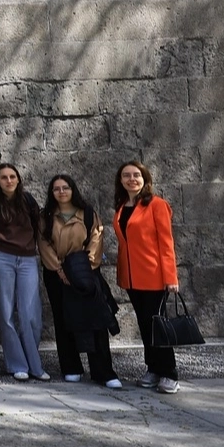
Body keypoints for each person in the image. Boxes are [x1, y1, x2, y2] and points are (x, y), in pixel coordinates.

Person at [39, 175, 120, 389]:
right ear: (51, 193)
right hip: (57, 274)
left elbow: (96, 238)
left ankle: (103, 371)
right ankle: (71, 367)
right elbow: (44, 244)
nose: (61, 192)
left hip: (85, 271)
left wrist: (84, 267)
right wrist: (60, 270)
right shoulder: (46, 216)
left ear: (73, 189)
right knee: (63, 319)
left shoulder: (88, 213)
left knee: (96, 319)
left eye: (65, 187)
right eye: (56, 188)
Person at [113, 160, 181, 394]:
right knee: (145, 325)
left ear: (145, 179)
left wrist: (171, 277)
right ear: (121, 180)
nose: (131, 179)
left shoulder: (157, 205)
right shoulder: (122, 206)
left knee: (157, 325)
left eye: (136, 175)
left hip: (154, 276)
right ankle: (153, 368)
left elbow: (166, 243)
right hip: (132, 278)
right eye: (126, 175)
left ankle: (169, 373)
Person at [0, 163, 49, 382]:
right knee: (6, 312)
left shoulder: (28, 201)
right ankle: (17, 364)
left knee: (31, 313)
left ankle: (34, 364)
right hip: (1, 257)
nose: (9, 181)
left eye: (12, 176)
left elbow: (39, 228)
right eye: (4, 177)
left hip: (27, 258)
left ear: (18, 179)